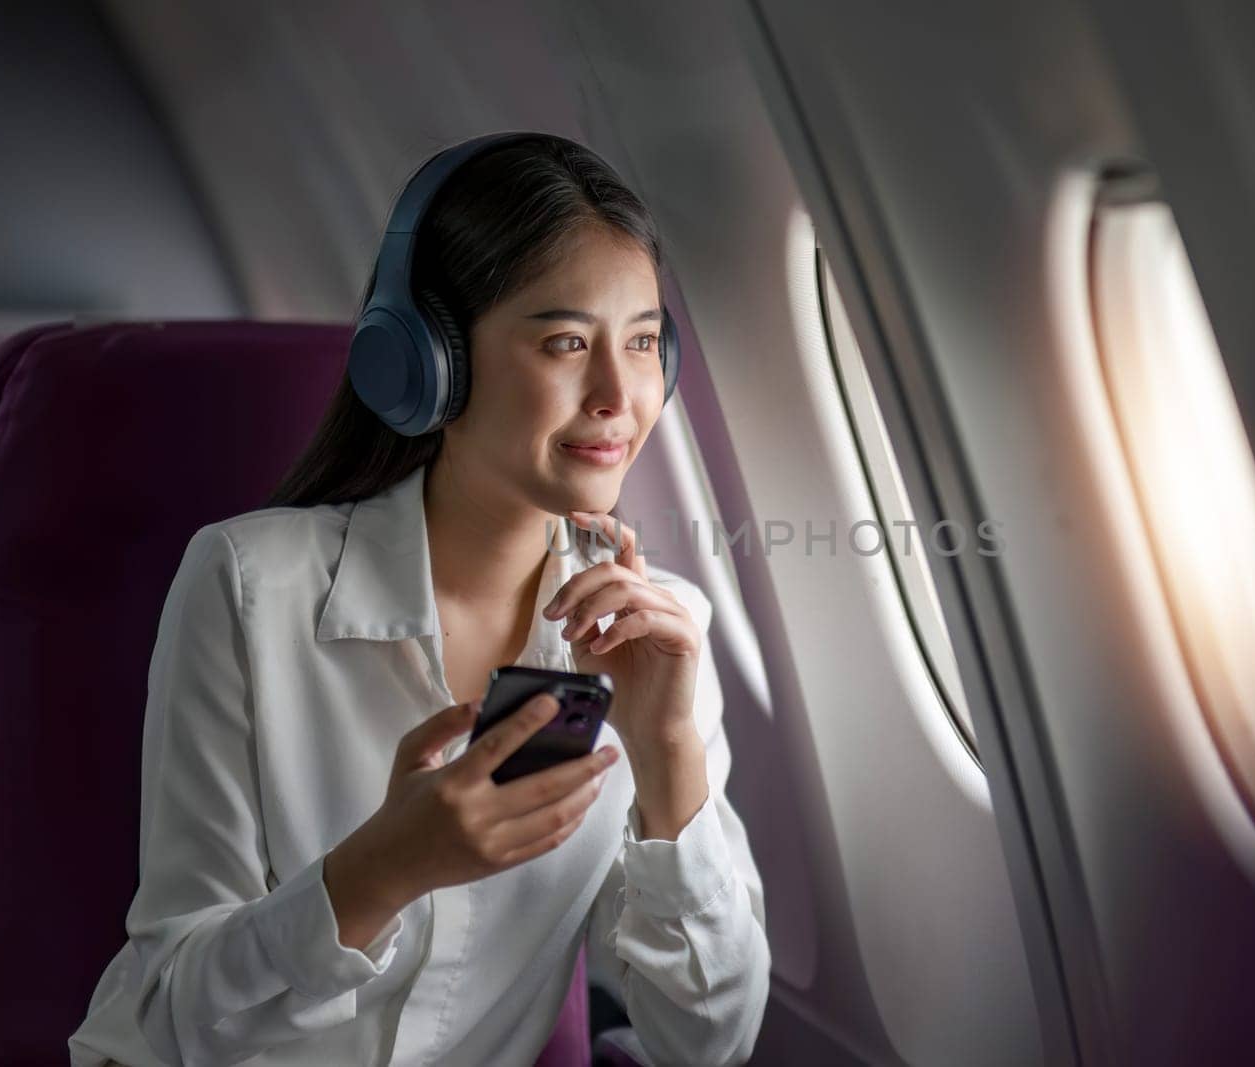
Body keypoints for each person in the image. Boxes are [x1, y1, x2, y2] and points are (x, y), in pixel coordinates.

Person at [68, 132, 771, 1066]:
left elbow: (707, 1043)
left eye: (643, 342)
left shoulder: (655, 634)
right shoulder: (248, 584)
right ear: (429, 359)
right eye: (566, 341)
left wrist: (669, 751)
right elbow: (174, 1017)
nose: (619, 393)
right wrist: (385, 869)